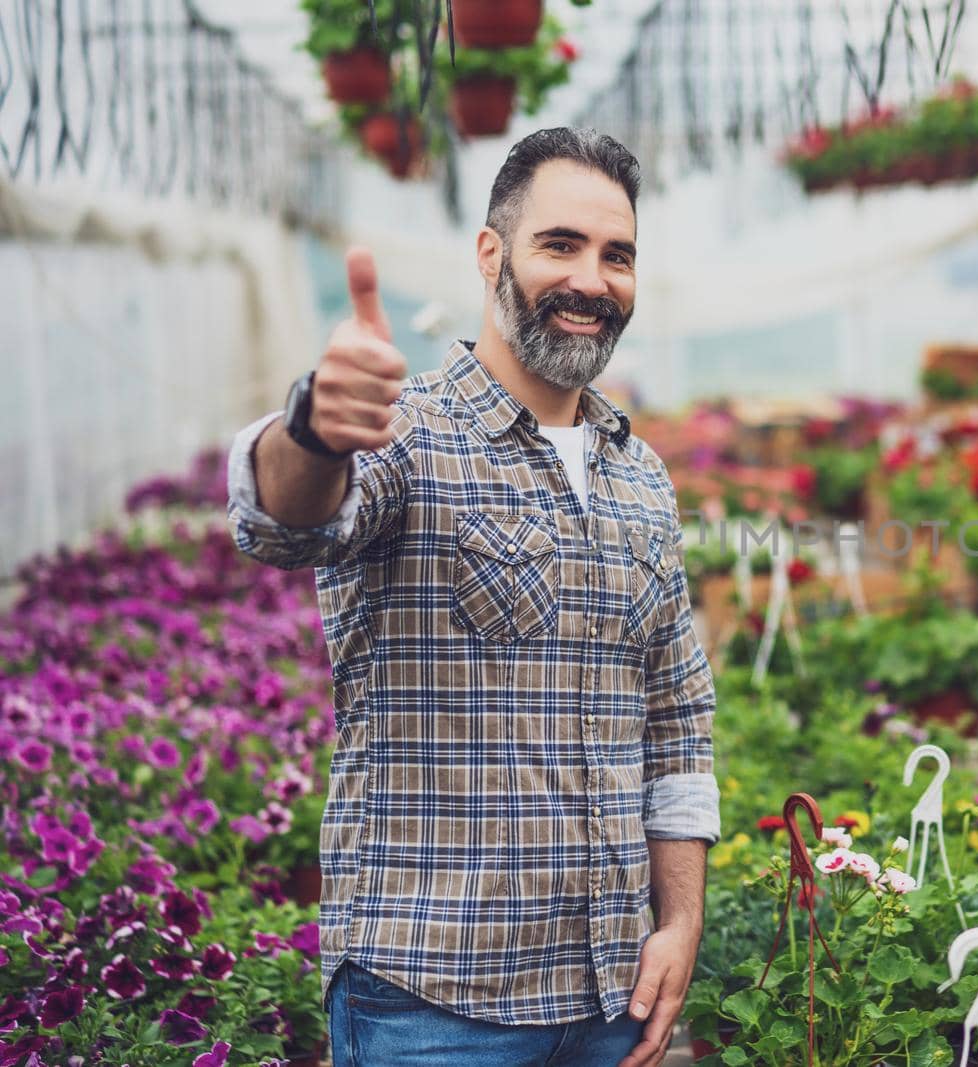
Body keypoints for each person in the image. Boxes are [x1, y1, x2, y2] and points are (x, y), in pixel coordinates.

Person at [225, 127, 718, 1067]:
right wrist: (316, 427)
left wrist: (680, 920)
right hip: (434, 1006)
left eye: (618, 255)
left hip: (615, 997)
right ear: (492, 255)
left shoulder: (640, 478)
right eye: (561, 244)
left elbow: (678, 721)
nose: (593, 279)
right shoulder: (406, 436)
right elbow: (286, 523)